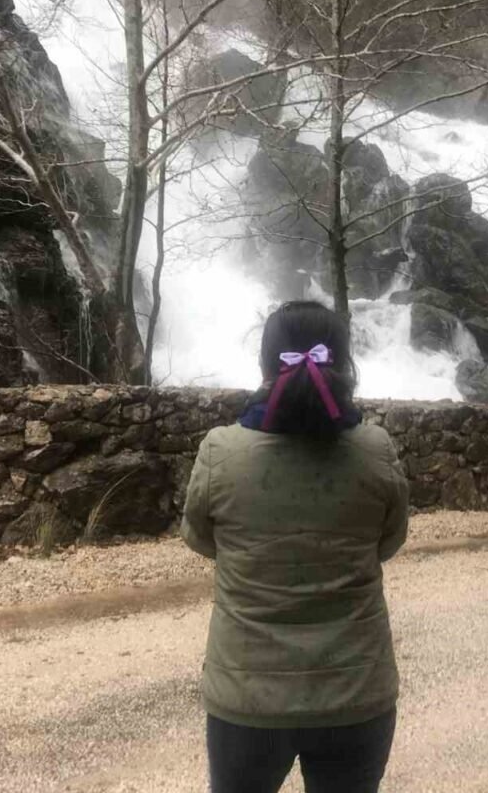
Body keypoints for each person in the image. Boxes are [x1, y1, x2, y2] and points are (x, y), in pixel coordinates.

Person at [181, 300, 411, 793]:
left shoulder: (221, 451)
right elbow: (388, 542)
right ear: (345, 364)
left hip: (247, 699)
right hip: (356, 693)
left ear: (266, 365)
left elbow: (200, 538)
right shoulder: (376, 450)